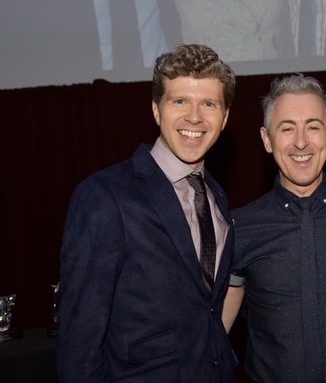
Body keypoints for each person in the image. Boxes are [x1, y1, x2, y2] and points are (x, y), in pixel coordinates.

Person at [56, 44, 237, 382]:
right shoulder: (104, 195)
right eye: (179, 101)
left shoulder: (216, 196)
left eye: (208, 104)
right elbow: (78, 346)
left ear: (224, 117)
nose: (194, 117)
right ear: (156, 110)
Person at [222, 74, 326, 382]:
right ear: (267, 139)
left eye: (313, 126)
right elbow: (214, 337)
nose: (301, 142)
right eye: (287, 128)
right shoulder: (240, 227)